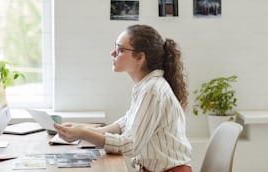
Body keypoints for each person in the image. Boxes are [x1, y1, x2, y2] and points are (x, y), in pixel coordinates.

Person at [54, 24, 193, 172]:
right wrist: (83, 130)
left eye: (120, 50)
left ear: (140, 57)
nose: (112, 53)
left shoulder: (152, 90)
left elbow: (130, 145)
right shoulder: (145, 86)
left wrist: (84, 133)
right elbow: (125, 124)